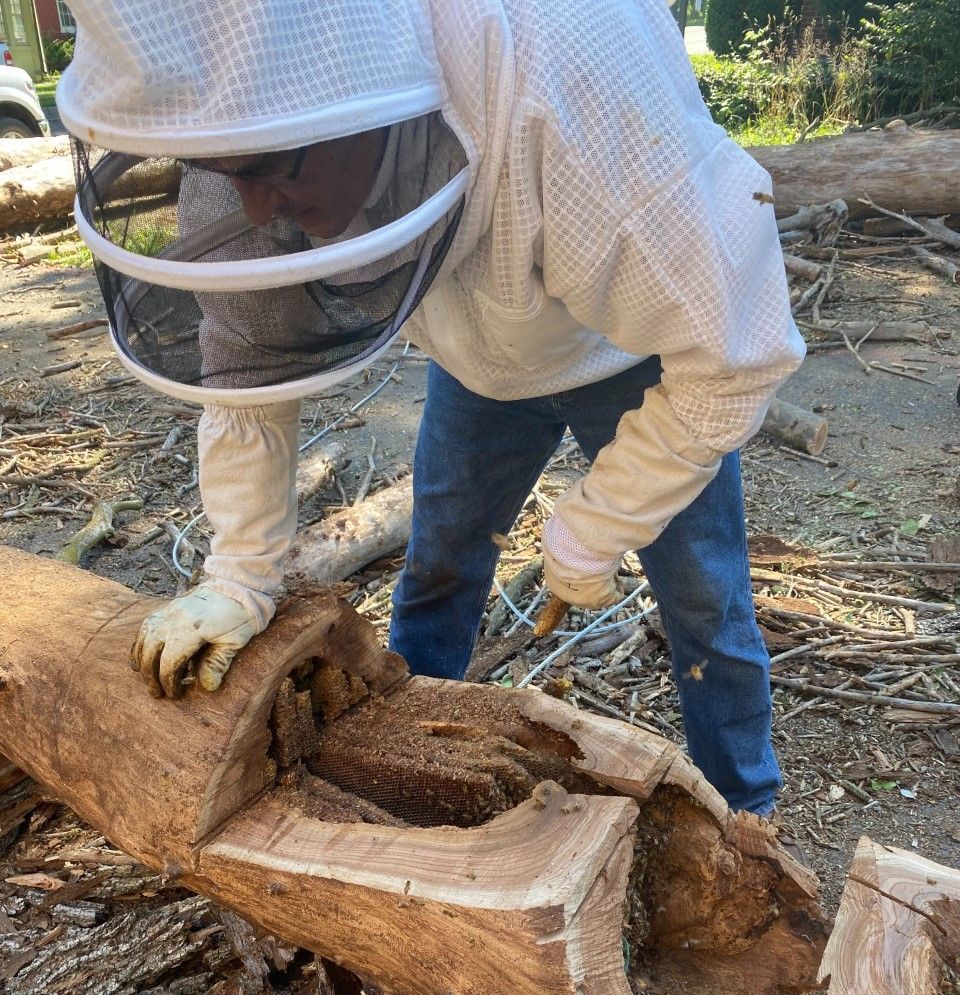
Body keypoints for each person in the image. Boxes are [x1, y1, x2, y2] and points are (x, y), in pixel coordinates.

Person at [57, 0, 804, 816]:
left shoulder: (577, 88)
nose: (257, 209)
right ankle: (402, 772)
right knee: (439, 570)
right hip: (475, 364)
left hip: (634, 357)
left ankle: (747, 813)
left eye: (276, 171)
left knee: (706, 600)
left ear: (374, 100)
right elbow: (249, 369)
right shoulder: (257, 119)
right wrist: (239, 575)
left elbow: (739, 354)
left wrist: (601, 523)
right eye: (234, 174)